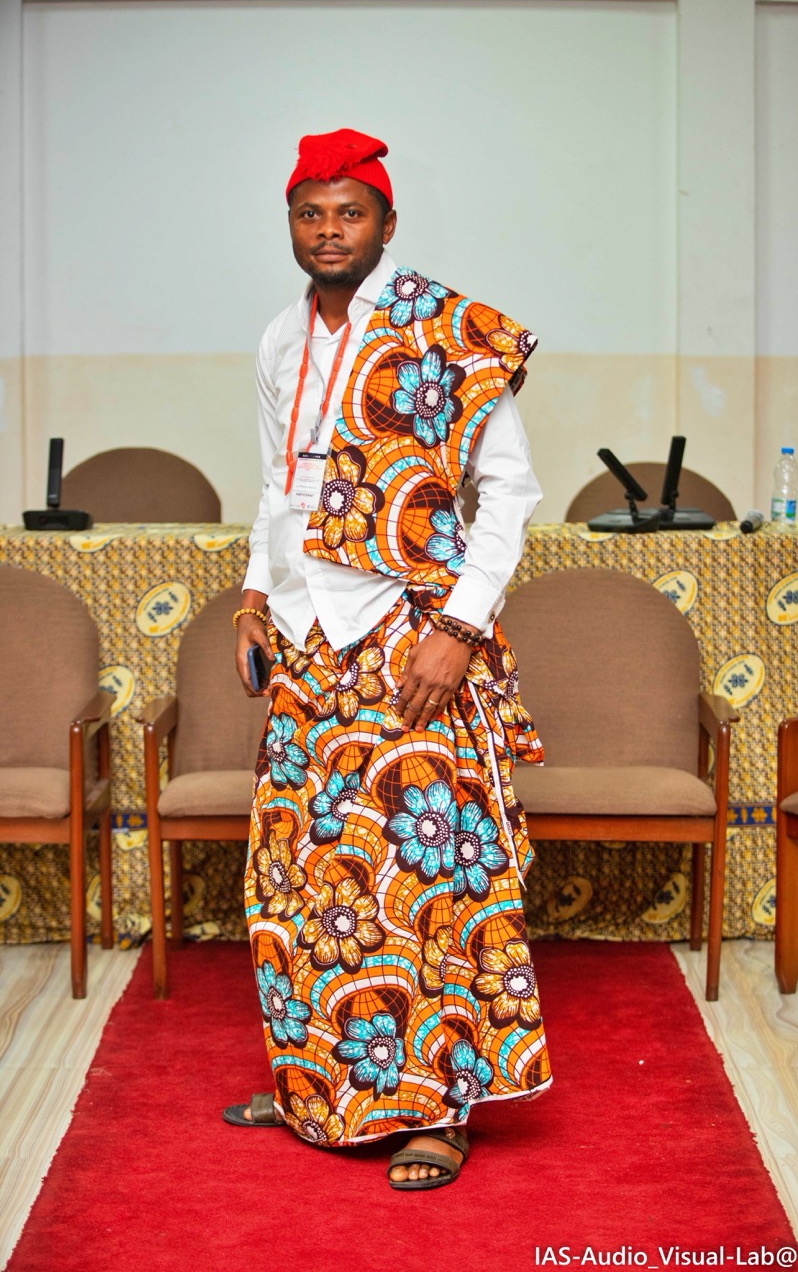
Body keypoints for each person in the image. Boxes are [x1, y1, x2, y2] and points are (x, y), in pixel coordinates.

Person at [225, 128, 551, 1190]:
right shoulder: (279, 337)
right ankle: (320, 1083)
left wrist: (458, 627)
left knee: (421, 876)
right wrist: (254, 596)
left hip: (410, 631)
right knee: (304, 871)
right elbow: (277, 486)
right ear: (291, 225)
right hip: (306, 642)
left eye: (349, 213)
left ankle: (435, 1110)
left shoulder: (443, 327)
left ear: (386, 223)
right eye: (310, 213)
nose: (329, 231)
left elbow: (508, 491)